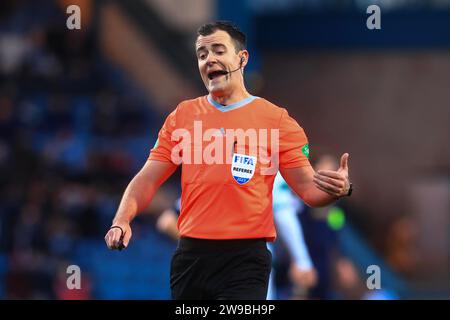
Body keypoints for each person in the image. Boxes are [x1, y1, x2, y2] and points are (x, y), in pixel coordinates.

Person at [104, 21, 352, 300]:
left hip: (245, 259)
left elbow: (309, 190)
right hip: (191, 259)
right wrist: (121, 220)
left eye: (218, 51)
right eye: (201, 54)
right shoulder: (182, 117)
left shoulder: (276, 121)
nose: (209, 60)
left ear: (241, 58)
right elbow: (148, 178)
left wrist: (338, 190)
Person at [155, 172, 318, 300]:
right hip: (246, 266)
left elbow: (166, 221)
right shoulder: (267, 168)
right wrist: (302, 260)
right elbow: (284, 216)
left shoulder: (211, 177)